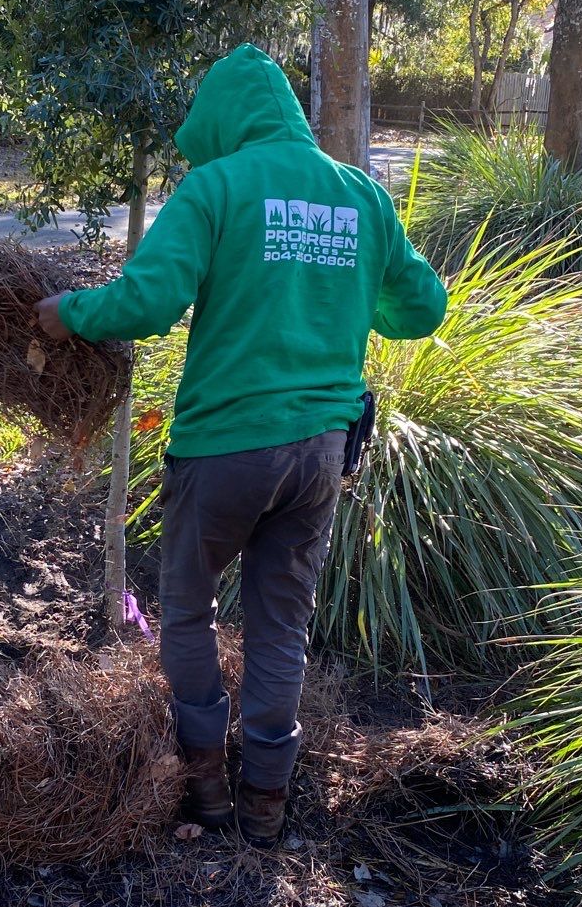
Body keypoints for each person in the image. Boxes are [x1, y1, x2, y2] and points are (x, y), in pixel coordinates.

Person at [35, 44, 447, 846]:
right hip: (322, 452)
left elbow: (148, 302)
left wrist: (69, 312)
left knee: (188, 610)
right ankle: (265, 800)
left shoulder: (216, 187)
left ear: (225, 120)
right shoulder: (359, 194)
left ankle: (207, 787)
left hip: (224, 449)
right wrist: (351, 303)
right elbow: (423, 308)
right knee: (280, 625)